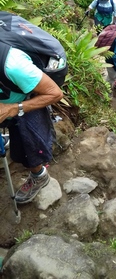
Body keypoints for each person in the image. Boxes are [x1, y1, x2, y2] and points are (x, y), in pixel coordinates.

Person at [0, 47, 63, 204]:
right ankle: (6, 140)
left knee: (29, 150)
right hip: (7, 102)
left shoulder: (14, 65)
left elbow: (55, 94)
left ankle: (39, 176)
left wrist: (13, 109)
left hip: (25, 105)